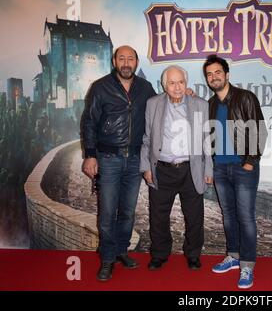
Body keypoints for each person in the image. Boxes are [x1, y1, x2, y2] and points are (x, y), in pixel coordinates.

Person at [81, 45, 157, 281]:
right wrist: (90, 155)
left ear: (136, 62)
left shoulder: (146, 88)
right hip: (108, 159)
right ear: (115, 61)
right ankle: (107, 258)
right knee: (107, 212)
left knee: (127, 212)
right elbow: (89, 122)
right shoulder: (100, 87)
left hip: (135, 159)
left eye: (130, 59)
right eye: (121, 58)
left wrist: (186, 96)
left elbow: (161, 109)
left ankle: (121, 251)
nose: (126, 63)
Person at [203, 54, 267, 289]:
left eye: (218, 72)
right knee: (228, 216)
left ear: (227, 74)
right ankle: (233, 256)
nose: (214, 77)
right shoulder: (209, 104)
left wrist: (251, 161)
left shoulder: (245, 98)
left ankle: (247, 266)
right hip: (220, 168)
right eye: (209, 74)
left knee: (246, 217)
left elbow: (260, 130)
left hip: (243, 168)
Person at [140, 65, 213, 270]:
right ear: (164, 85)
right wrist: (146, 167)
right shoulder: (153, 104)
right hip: (162, 169)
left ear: (186, 83)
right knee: (158, 216)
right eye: (172, 83)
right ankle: (160, 254)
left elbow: (207, 140)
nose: (177, 87)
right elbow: (147, 139)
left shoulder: (200, 105)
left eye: (181, 82)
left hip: (191, 170)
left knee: (194, 216)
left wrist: (209, 169)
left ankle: (193, 254)